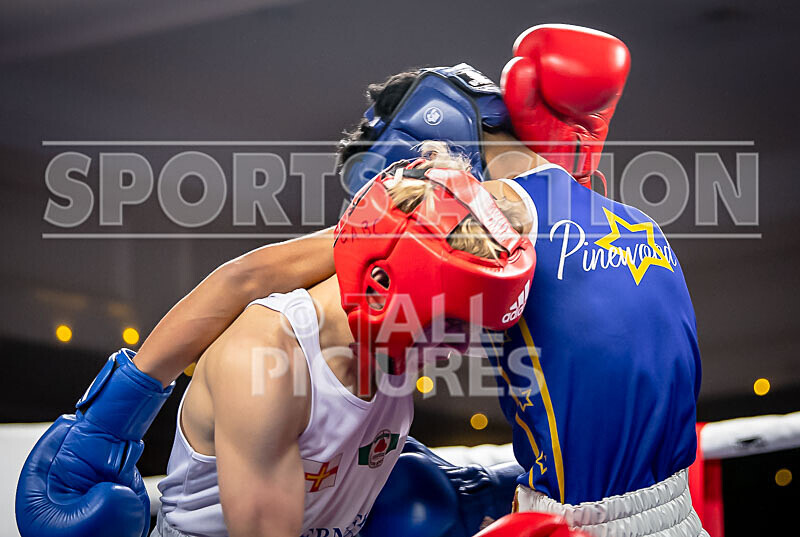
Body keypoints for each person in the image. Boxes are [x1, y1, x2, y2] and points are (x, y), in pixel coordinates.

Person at [15, 148, 536, 537]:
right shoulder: (268, 367)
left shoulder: (387, 282)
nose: (460, 348)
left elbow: (250, 274)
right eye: (451, 324)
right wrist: (106, 419)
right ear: (382, 289)